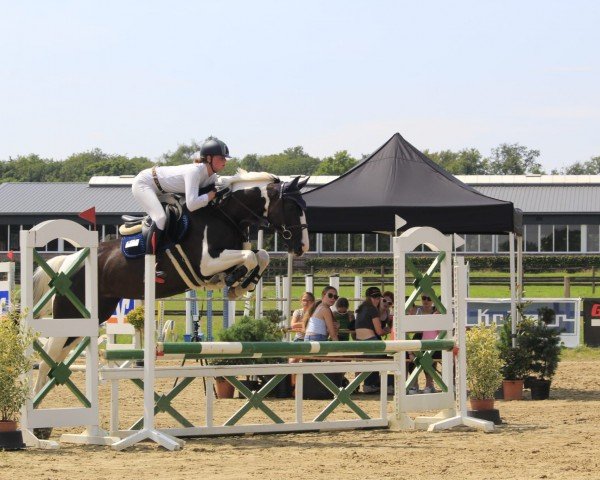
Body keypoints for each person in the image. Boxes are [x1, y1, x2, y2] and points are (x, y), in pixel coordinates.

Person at [131, 136, 230, 259]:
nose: (224, 161)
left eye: (225, 158)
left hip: (162, 189)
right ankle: (151, 261)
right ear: (209, 158)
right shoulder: (194, 172)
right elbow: (192, 204)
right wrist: (211, 195)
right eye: (221, 158)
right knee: (160, 218)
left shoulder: (212, 177)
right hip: (144, 183)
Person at [355, 286, 391, 393]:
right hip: (370, 341)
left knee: (375, 359)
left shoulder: (361, 308)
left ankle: (368, 384)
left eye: (378, 297)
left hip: (358, 343)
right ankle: (376, 384)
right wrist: (389, 330)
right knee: (389, 358)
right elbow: (379, 331)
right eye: (374, 297)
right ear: (368, 298)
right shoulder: (373, 309)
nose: (376, 299)